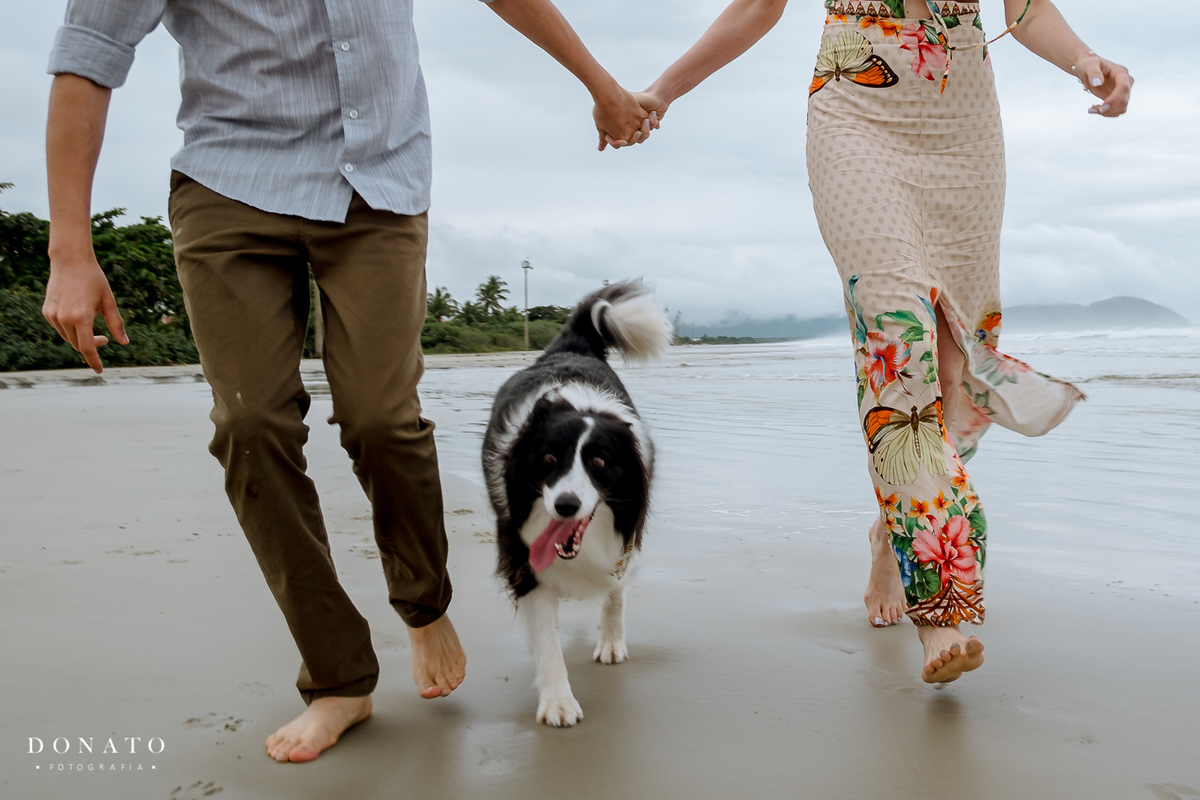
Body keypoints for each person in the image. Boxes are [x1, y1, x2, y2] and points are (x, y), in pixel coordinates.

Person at [41, 0, 653, 763]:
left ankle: (424, 603)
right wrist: (70, 245)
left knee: (379, 418)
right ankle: (337, 678)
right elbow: (89, 50)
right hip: (229, 181)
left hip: (379, 182)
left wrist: (599, 81)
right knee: (249, 426)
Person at [624, 0, 1132, 682]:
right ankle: (939, 610)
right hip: (857, 108)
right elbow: (757, 6)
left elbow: (1027, 8)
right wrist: (662, 91)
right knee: (900, 348)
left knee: (955, 364)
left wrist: (1085, 61)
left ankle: (892, 537)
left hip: (965, 120)